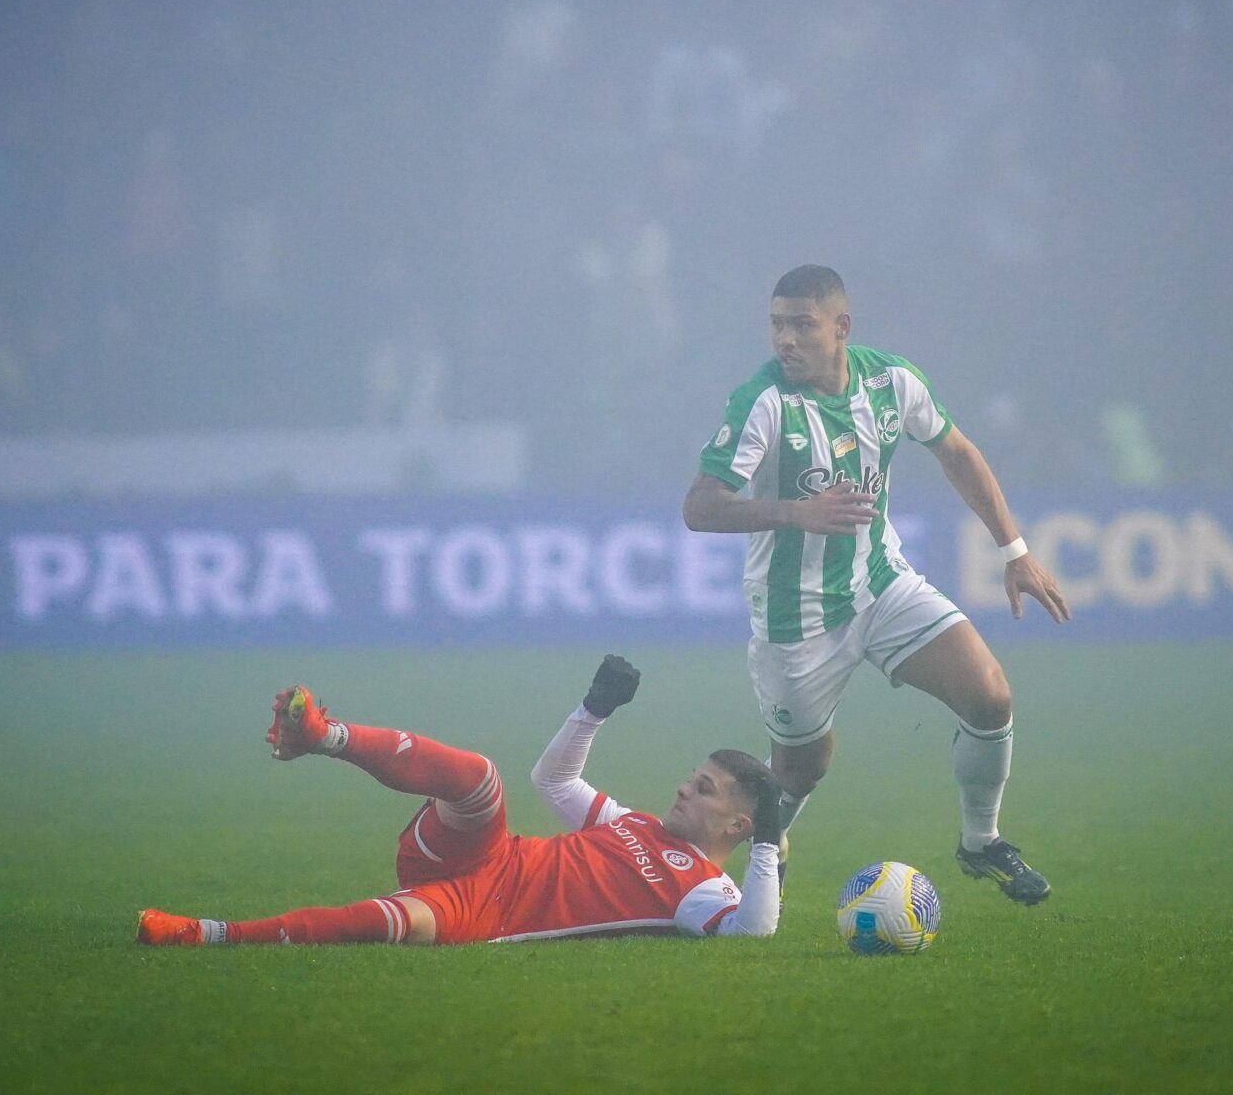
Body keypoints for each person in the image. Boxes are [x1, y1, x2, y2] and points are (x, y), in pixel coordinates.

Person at [682, 264, 1071, 905]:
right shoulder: (762, 402)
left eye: (802, 325)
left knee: (991, 697)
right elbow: (700, 506)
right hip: (795, 615)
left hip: (882, 585)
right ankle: (761, 857)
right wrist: (794, 512)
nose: (785, 339)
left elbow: (957, 452)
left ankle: (981, 842)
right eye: (777, 325)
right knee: (802, 769)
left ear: (841, 327)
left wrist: (1015, 551)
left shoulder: (891, 381)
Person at [136, 656, 782, 946]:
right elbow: (554, 781)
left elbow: (753, 933)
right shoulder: (635, 825)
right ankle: (320, 735)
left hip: (481, 914)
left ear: (737, 822)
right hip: (483, 855)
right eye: (691, 776)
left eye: (703, 789)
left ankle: (207, 935)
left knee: (382, 924)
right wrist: (594, 710)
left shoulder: (705, 891)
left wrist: (769, 846)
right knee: (479, 777)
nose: (681, 787)